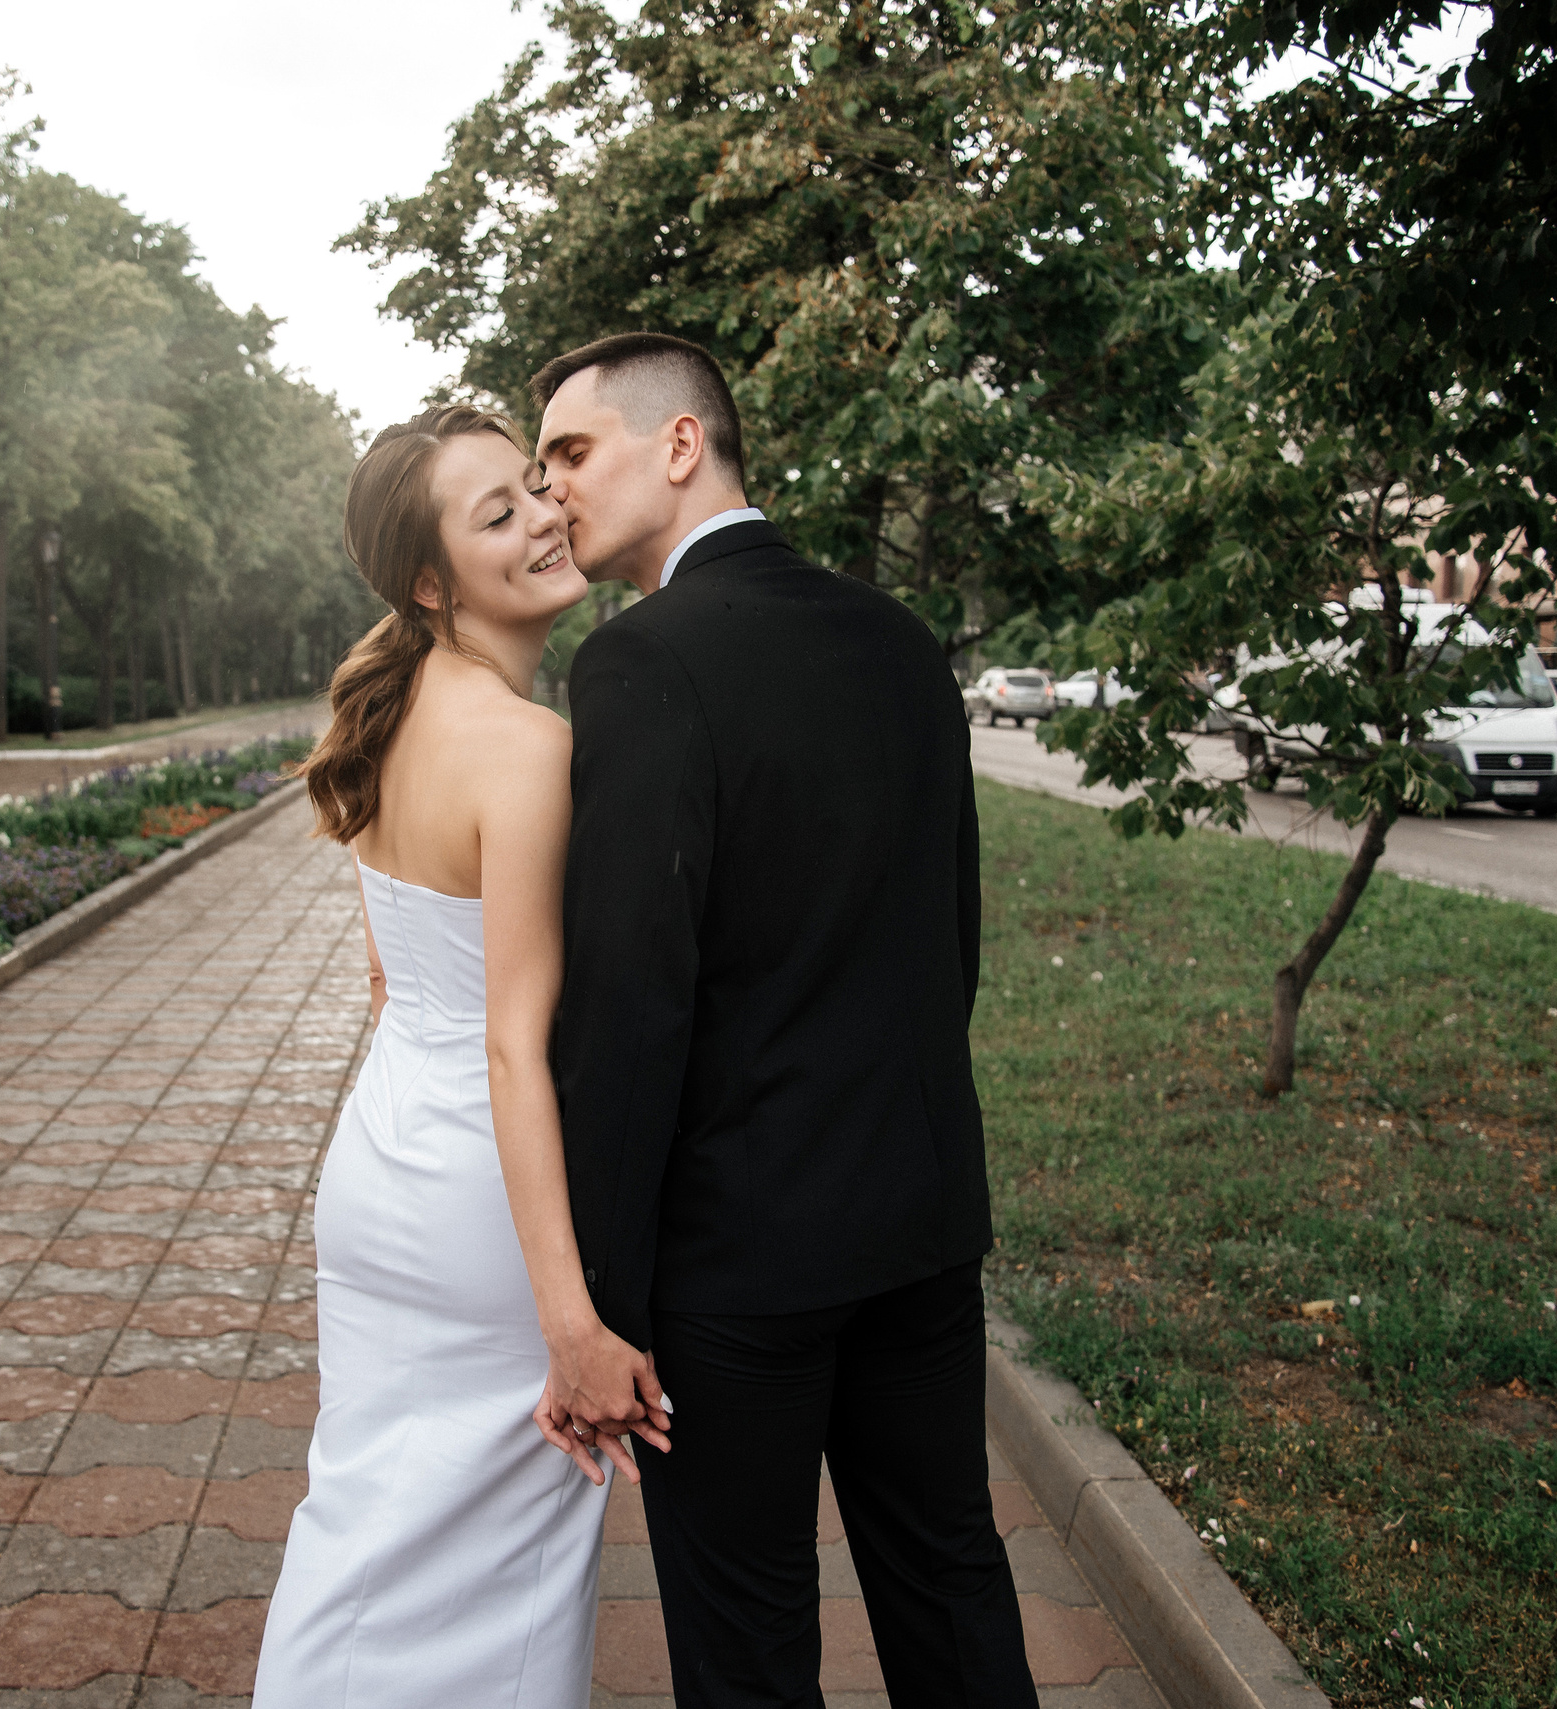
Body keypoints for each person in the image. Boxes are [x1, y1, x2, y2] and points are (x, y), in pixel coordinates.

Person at [533, 332, 1038, 1708]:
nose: (553, 489)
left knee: (750, 1642)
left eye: (574, 452)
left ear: (680, 442)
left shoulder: (642, 662)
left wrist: (604, 1309)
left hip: (738, 1266)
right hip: (919, 1224)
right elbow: (953, 937)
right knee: (951, 1578)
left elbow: (631, 1008)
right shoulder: (899, 640)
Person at [254, 407, 667, 1709]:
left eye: (537, 486)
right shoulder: (528, 746)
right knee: (510, 1573)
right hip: (487, 1204)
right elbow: (511, 1042)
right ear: (430, 581)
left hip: (380, 1171)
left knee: (365, 1525)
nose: (545, 516)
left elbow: (394, 979)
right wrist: (573, 1322)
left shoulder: (396, 714)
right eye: (498, 514)